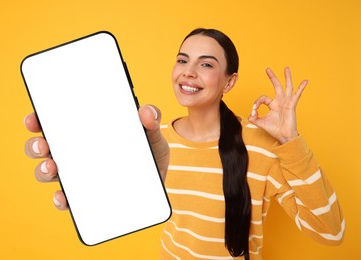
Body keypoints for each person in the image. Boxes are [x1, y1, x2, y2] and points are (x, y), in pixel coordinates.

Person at [24, 28, 345, 260]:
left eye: (206, 64)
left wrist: (291, 141)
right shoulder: (152, 138)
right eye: (182, 60)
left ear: (229, 81)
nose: (188, 73)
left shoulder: (262, 148)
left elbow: (331, 232)